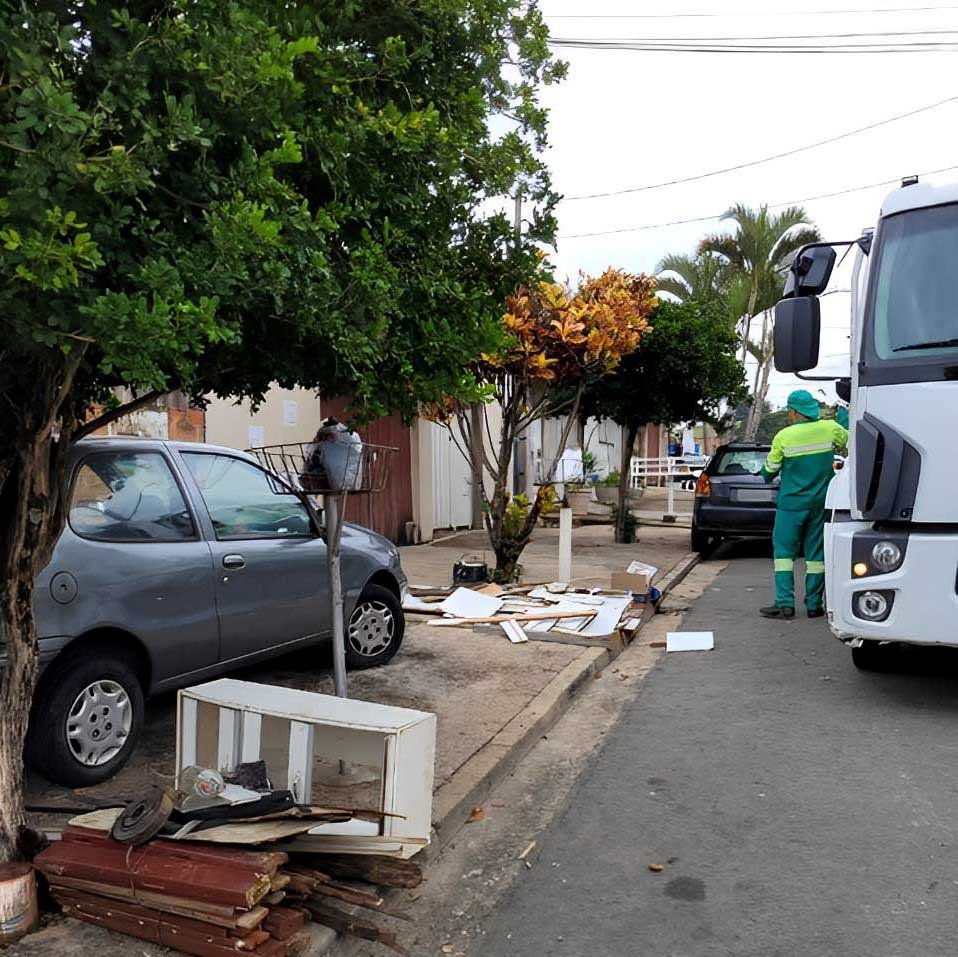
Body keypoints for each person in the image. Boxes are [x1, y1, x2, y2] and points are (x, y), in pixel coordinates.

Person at [759, 390, 848, 620]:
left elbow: (769, 472)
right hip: (820, 503)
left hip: (791, 504)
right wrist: (843, 418)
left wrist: (763, 470)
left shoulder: (784, 436)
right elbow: (852, 440)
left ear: (793, 412)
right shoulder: (830, 428)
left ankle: (785, 604)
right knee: (816, 556)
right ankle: (814, 606)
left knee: (783, 554)